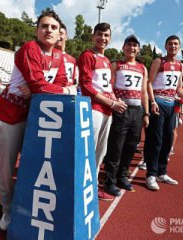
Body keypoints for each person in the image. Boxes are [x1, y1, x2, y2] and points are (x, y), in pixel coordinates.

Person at [0, 10, 76, 231]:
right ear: (37, 30)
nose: (48, 30)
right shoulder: (30, 48)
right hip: (11, 112)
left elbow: (56, 82)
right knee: (6, 167)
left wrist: (40, 90)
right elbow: (42, 85)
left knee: (34, 165)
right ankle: (7, 208)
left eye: (53, 27)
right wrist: (51, 89)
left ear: (60, 34)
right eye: (44, 26)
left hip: (34, 114)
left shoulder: (58, 56)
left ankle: (25, 206)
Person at [78, 23, 127, 201]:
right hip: (94, 109)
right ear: (93, 36)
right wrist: (110, 102)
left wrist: (115, 99)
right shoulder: (87, 55)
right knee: (89, 151)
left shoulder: (106, 60)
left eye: (106, 35)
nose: (103, 38)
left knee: (100, 152)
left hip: (107, 110)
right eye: (99, 34)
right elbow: (85, 85)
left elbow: (107, 86)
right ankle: (81, 188)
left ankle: (91, 187)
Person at [144, 35, 183, 190]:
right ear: (165, 46)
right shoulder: (159, 62)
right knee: (156, 140)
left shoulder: (181, 65)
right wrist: (152, 102)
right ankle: (151, 174)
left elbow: (178, 88)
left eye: (176, 44)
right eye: (170, 44)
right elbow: (149, 83)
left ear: (179, 47)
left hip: (171, 105)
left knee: (168, 140)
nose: (173, 46)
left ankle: (162, 171)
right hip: (158, 103)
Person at [103, 35, 149, 196]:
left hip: (137, 111)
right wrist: (115, 101)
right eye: (128, 45)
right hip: (121, 109)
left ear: (138, 49)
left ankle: (122, 176)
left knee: (131, 146)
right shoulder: (117, 64)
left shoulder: (142, 68)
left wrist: (146, 113)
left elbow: (144, 92)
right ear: (123, 48)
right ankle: (110, 181)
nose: (132, 48)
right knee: (116, 146)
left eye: (135, 45)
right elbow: (109, 85)